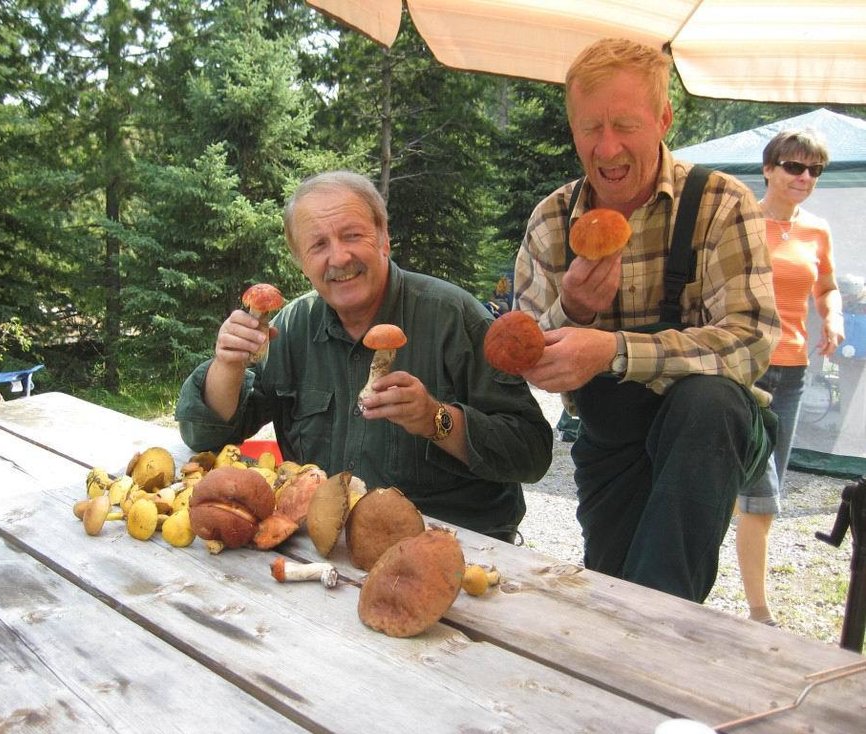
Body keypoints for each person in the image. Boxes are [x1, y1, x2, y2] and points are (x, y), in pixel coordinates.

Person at [513, 38, 780, 603]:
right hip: (610, 438)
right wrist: (573, 310)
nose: (607, 147)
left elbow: (751, 339)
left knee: (706, 404)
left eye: (625, 125)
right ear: (572, 130)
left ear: (663, 119)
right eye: (591, 127)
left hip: (715, 435)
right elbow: (524, 352)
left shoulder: (721, 203)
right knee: (610, 590)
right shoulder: (552, 220)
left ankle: (661, 627)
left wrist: (611, 350)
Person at [176, 170, 553, 541]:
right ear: (300, 261)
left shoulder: (455, 318)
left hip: (451, 542)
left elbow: (532, 453)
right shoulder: (291, 328)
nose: (339, 257)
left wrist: (435, 419)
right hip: (324, 545)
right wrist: (228, 363)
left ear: (384, 237)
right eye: (318, 245)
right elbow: (204, 436)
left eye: (352, 235)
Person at [736, 129, 843, 626]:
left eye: (814, 170)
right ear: (768, 169)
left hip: (794, 372)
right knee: (761, 492)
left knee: (761, 494)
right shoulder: (741, 223)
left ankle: (747, 597)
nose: (804, 177)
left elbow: (827, 288)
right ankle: (759, 611)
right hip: (745, 369)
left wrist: (834, 316)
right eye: (794, 167)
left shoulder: (816, 231)